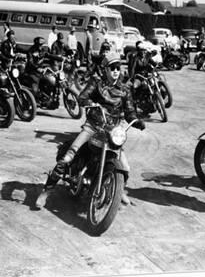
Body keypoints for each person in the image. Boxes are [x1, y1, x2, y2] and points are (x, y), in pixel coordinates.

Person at [35, 53, 145, 208]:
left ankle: (117, 191)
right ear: (105, 69)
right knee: (68, 157)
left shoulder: (125, 89)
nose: (115, 71)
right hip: (93, 126)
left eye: (118, 68)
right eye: (112, 68)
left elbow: (129, 110)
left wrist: (136, 120)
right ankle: (47, 190)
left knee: (125, 168)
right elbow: (82, 97)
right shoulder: (97, 82)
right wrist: (90, 102)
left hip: (112, 130)